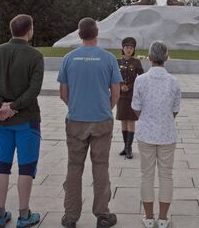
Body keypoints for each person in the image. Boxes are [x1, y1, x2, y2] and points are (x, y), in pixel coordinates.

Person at [0, 14, 44, 228]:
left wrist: (1, 105)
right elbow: (34, 90)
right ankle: (24, 216)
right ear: (30, 30)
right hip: (27, 120)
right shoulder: (35, 56)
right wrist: (13, 107)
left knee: (1, 165)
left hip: (0, 121)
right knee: (26, 167)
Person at [57, 17, 122, 228]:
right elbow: (116, 92)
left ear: (79, 34)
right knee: (101, 166)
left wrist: (76, 106)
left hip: (76, 119)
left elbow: (63, 93)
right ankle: (103, 214)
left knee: (74, 167)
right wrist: (106, 108)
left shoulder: (68, 58)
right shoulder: (109, 58)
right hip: (101, 119)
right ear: (97, 34)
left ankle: (70, 216)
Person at [131, 41, 181, 228]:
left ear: (149, 57)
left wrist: (147, 118)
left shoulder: (140, 80)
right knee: (166, 175)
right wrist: (163, 118)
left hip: (146, 133)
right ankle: (163, 218)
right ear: (166, 58)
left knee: (147, 175)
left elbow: (136, 107)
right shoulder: (174, 81)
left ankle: (149, 217)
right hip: (167, 133)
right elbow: (175, 109)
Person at [117, 37, 145, 159]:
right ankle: (125, 146)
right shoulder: (117, 62)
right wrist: (121, 85)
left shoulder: (137, 62)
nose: (128, 50)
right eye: (126, 47)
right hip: (121, 96)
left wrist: (129, 86)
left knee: (131, 121)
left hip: (132, 95)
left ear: (134, 50)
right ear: (123, 49)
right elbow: (113, 76)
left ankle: (129, 147)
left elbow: (142, 78)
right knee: (123, 120)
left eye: (131, 48)